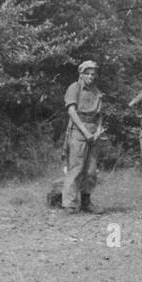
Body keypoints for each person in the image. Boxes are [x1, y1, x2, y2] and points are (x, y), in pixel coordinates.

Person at [62, 61, 103, 212]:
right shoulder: (75, 88)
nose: (91, 77)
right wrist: (85, 131)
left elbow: (99, 115)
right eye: (88, 73)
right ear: (82, 74)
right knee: (76, 168)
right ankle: (69, 204)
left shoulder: (96, 91)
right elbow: (71, 111)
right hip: (78, 131)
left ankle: (86, 201)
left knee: (91, 170)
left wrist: (98, 130)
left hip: (94, 132)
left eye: (93, 74)